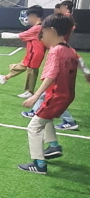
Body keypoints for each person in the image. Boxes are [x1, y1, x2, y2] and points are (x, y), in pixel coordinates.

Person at [19, 13, 77, 174]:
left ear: (51, 31)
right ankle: (53, 146)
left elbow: (51, 76)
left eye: (43, 32)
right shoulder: (70, 50)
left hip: (56, 96)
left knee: (34, 127)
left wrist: (35, 96)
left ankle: (39, 164)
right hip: (67, 96)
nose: (41, 35)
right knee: (45, 117)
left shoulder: (55, 51)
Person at [0, 5, 46, 98]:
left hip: (35, 53)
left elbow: (20, 35)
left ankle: (29, 91)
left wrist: (2, 35)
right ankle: (5, 78)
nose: (28, 19)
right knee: (25, 67)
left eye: (29, 17)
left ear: (34, 16)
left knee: (31, 71)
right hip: (33, 52)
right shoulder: (40, 27)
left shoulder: (36, 28)